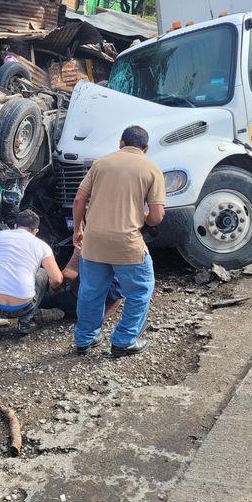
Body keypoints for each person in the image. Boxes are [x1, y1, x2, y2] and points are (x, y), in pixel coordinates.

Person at [73, 125, 166, 357]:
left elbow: (78, 200)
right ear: (145, 148)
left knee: (91, 292)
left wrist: (78, 229)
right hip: (127, 244)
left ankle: (85, 339)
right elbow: (156, 217)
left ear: (121, 143)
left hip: (94, 242)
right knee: (140, 290)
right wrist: (140, 216)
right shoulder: (152, 169)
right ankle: (124, 340)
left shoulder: (100, 164)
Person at [0, 209, 64, 342]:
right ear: (36, 231)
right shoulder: (42, 246)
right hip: (23, 306)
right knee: (42, 273)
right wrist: (49, 290)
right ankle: (25, 323)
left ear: (15, 226)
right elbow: (57, 279)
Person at [41, 247, 123, 319]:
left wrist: (53, 287)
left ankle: (46, 311)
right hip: (114, 296)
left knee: (47, 297)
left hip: (92, 303)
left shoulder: (87, 239)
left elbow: (68, 275)